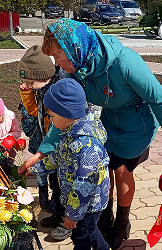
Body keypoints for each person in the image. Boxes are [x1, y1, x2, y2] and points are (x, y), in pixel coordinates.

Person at [25, 18, 162, 250]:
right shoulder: (79, 70)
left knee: (121, 169)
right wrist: (41, 154)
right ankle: (104, 217)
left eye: (58, 57)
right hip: (109, 121)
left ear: (73, 49)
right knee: (103, 169)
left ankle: (122, 223)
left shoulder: (125, 62)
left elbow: (159, 100)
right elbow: (62, 119)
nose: (58, 65)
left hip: (136, 124)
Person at [20, 78, 111, 249]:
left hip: (88, 204)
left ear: (67, 113)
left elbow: (84, 186)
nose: (52, 122)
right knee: (90, 231)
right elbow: (59, 157)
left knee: (81, 236)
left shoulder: (86, 147)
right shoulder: (70, 131)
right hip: (80, 203)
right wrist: (36, 168)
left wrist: (73, 215)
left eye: (52, 116)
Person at [16, 45, 72, 240]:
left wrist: (39, 155)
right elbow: (34, 112)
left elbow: (60, 125)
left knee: (66, 186)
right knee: (55, 183)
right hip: (52, 143)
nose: (28, 85)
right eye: (25, 82)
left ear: (44, 75)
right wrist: (27, 93)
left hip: (65, 145)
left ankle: (68, 221)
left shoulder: (61, 88)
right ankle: (57, 214)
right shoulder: (42, 88)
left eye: (30, 82)